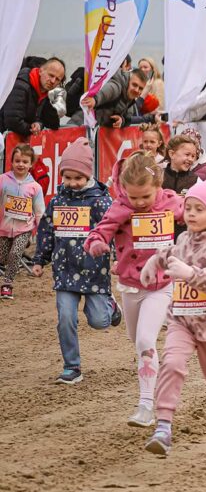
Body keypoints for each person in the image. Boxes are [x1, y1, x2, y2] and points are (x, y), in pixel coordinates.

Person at [84, 152, 184, 427]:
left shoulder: (170, 201)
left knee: (144, 341)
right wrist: (97, 244)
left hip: (161, 285)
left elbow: (198, 212)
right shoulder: (120, 207)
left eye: (145, 197)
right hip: (130, 286)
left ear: (158, 186)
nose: (139, 203)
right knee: (136, 339)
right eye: (133, 197)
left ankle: (146, 406)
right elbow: (98, 232)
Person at [141, 176, 206, 455]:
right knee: (172, 363)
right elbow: (169, 252)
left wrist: (190, 274)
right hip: (181, 319)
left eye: (199, 209)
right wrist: (153, 262)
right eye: (188, 208)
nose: (191, 214)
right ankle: (163, 426)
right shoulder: (183, 238)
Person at [31, 138, 120, 384]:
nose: (72, 183)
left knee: (99, 322)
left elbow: (112, 229)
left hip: (94, 271)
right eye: (67, 177)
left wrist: (117, 257)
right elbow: (46, 231)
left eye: (78, 178)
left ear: (88, 175)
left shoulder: (101, 201)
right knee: (65, 318)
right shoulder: (57, 201)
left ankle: (111, 306)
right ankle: (72, 366)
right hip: (65, 271)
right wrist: (40, 259)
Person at [0, 144, 46, 299]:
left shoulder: (35, 187)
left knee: (15, 254)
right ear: (12, 162)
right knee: (3, 257)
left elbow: (39, 211)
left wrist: (42, 231)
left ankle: (7, 284)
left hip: (24, 229)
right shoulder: (2, 180)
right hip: (4, 228)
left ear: (31, 164)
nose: (21, 164)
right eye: (17, 161)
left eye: (25, 162)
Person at [0, 57, 66, 136]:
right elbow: (13, 121)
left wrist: (38, 125)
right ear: (40, 71)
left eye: (57, 79)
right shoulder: (21, 85)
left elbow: (51, 123)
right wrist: (31, 130)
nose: (53, 81)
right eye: (51, 75)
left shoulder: (43, 92)